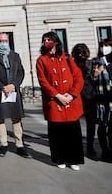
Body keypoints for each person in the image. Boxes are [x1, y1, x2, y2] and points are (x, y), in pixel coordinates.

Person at [36, 31, 84, 171]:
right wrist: (57, 95)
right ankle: (60, 158)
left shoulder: (67, 57)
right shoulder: (41, 60)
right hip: (54, 102)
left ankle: (74, 159)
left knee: (73, 133)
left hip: (70, 102)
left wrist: (71, 95)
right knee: (57, 134)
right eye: (44, 40)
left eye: (49, 39)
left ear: (56, 42)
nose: (46, 42)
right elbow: (43, 81)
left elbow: (78, 77)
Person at [0, 32, 31, 159]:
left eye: (5, 40)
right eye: (1, 41)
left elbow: (20, 72)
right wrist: (2, 87)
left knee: (16, 118)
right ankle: (3, 144)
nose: (4, 43)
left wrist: (13, 85)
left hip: (13, 90)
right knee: (0, 119)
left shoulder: (15, 56)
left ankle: (20, 145)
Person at [71, 43, 97, 157]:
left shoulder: (91, 64)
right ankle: (78, 146)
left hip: (90, 96)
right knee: (75, 123)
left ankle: (90, 147)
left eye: (82, 53)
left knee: (91, 123)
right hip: (76, 97)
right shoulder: (72, 64)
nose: (81, 55)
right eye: (78, 53)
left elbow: (94, 80)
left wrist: (94, 75)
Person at [92, 38, 112, 162]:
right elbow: (91, 80)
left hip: (111, 98)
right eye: (102, 45)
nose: (104, 48)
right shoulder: (97, 62)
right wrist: (95, 75)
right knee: (102, 126)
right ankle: (105, 151)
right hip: (101, 99)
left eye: (107, 45)